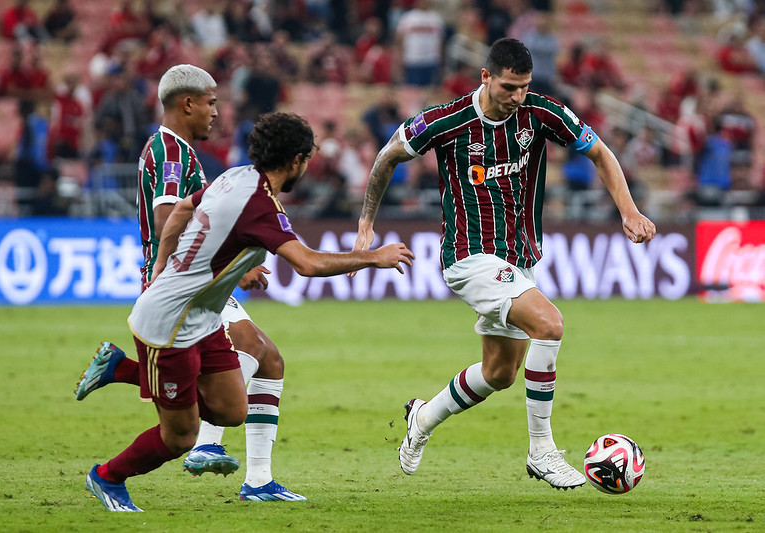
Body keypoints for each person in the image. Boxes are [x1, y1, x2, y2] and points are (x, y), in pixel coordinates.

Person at [351, 38, 656, 490]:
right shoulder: (445, 121)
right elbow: (386, 158)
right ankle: (542, 450)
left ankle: (422, 417)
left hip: (520, 260)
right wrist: (365, 226)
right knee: (549, 325)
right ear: (486, 78)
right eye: (509, 87)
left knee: (498, 373)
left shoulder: (541, 112)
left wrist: (628, 210)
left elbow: (600, 153)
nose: (517, 97)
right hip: (468, 255)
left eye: (524, 87)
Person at [84, 111, 415, 512]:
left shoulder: (234, 176)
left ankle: (122, 370)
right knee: (181, 437)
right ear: (295, 160)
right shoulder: (259, 204)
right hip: (167, 325)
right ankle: (108, 477)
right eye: (307, 160)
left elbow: (182, 213)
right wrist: (370, 257)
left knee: (232, 410)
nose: (307, 168)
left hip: (202, 319)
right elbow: (307, 264)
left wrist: (164, 265)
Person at [75, 65, 299, 502]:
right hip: (180, 287)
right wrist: (230, 263)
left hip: (193, 281)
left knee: (267, 362)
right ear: (188, 103)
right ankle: (207, 447)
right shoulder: (173, 155)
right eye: (212, 102)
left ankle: (123, 371)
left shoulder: (173, 150)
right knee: (255, 351)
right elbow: (166, 221)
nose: (217, 112)